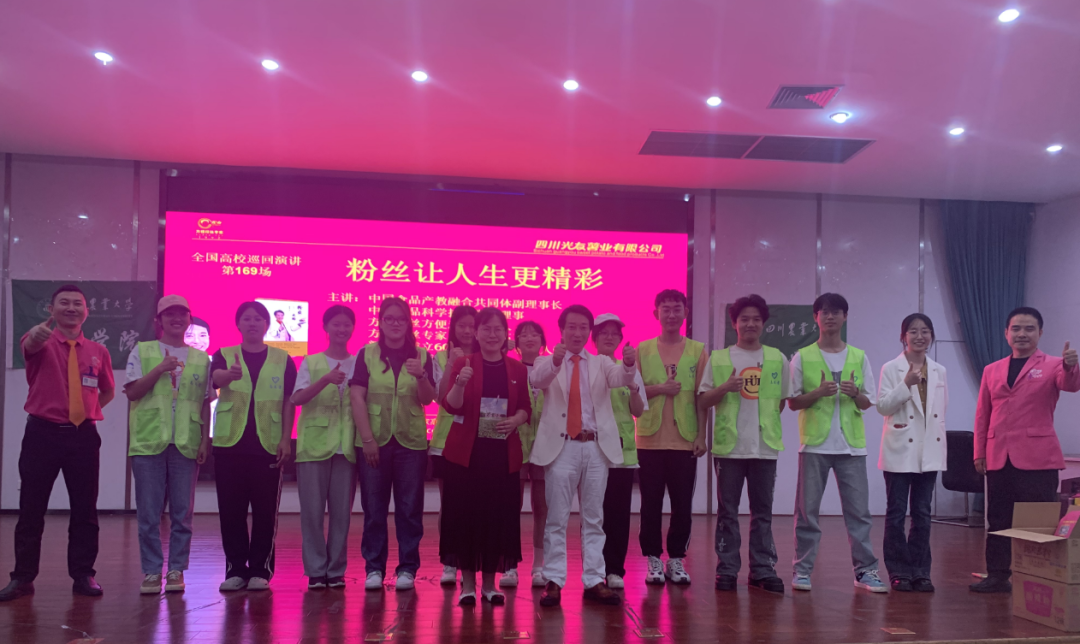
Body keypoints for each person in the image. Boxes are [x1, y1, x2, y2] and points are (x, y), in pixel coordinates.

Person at [0, 285, 115, 602]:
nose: (71, 308)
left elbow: (107, 390)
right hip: (43, 434)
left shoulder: (98, 350)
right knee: (31, 508)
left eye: (78, 303)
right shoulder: (39, 340)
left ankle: (84, 575)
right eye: (64, 303)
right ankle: (23, 578)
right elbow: (31, 344)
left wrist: (88, 411)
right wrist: (36, 336)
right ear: (51, 310)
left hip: (83, 436)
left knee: (85, 510)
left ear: (86, 311)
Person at [530, 304, 637, 607]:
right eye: (572, 327)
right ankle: (553, 580)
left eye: (582, 328)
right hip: (562, 446)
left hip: (594, 447)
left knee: (594, 517)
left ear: (589, 332)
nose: (577, 333)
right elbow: (537, 380)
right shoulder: (546, 360)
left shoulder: (601, 362)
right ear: (561, 330)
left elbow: (620, 378)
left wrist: (629, 365)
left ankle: (594, 580)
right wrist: (555, 361)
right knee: (557, 517)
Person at [970, 307, 1080, 593]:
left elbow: (1070, 384)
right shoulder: (992, 369)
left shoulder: (1054, 364)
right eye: (1016, 328)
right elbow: (983, 414)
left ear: (1040, 333)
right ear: (1006, 333)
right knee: (998, 519)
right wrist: (979, 452)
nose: (1022, 334)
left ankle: (1038, 574)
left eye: (1029, 328)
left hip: (1038, 458)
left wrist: (1071, 366)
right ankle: (997, 575)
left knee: (1038, 521)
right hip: (999, 456)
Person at [788, 293, 886, 593]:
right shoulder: (802, 356)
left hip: (851, 446)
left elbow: (869, 402)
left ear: (845, 317)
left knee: (859, 514)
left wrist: (855, 393)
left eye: (836, 312)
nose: (830, 317)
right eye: (824, 312)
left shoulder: (859, 356)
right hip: (814, 445)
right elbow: (792, 402)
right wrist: (817, 393)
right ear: (815, 317)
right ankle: (802, 570)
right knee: (807, 513)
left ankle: (865, 571)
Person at [439, 308, 532, 606]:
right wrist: (460, 383)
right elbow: (451, 406)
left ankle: (490, 586)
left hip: (502, 455)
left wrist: (516, 419)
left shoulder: (517, 369)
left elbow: (526, 407)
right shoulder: (463, 363)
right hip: (467, 456)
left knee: (496, 518)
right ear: (476, 334)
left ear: (505, 334)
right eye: (486, 329)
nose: (492, 334)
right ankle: (467, 586)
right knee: (466, 518)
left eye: (498, 329)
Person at [697, 294, 788, 594]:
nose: (750, 324)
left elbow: (781, 402)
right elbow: (703, 400)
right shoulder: (720, 358)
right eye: (744, 319)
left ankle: (762, 569)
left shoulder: (777, 358)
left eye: (756, 319)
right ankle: (726, 569)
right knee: (728, 512)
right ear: (734, 323)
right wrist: (725, 387)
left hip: (765, 446)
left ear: (764, 323)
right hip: (729, 447)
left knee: (763, 512)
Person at [124, 295, 213, 595]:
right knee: (149, 513)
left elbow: (204, 402)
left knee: (182, 513)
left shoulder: (201, 358)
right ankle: (151, 571)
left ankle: (176, 569)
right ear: (158, 320)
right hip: (149, 440)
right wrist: (159, 369)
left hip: (186, 442)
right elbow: (132, 392)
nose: (176, 319)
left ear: (190, 320)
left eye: (182, 314)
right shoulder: (143, 350)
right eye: (169, 314)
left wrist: (205, 440)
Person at [350, 297, 436, 592]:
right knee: (374, 508)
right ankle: (374, 568)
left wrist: (421, 376)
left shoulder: (422, 355)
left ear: (409, 322)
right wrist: (367, 439)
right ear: (381, 322)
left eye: (401, 318)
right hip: (374, 440)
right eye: (390, 318)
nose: (396, 323)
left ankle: (407, 569)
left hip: (411, 443)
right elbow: (357, 396)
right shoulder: (367, 354)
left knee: (409, 509)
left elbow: (427, 399)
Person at [210, 301, 296, 592]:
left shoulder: (283, 359)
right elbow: (215, 379)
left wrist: (286, 438)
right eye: (247, 318)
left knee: (265, 512)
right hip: (229, 445)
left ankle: (260, 570)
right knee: (230, 511)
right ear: (238, 324)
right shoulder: (223, 354)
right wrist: (229, 375)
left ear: (267, 325)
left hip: (267, 445)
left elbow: (288, 401)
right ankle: (235, 569)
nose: (253, 323)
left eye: (258, 319)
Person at [636, 289, 707, 585]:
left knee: (682, 505)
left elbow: (702, 397)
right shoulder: (642, 350)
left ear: (685, 313)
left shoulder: (698, 350)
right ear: (656, 313)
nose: (671, 314)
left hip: (684, 440)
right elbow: (632, 393)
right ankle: (653, 558)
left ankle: (676, 559)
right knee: (650, 504)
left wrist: (701, 435)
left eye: (677, 309)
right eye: (665, 309)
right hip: (649, 440)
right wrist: (660, 389)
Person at [876, 313, 948, 593]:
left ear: (932, 336)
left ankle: (920, 570)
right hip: (899, 449)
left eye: (925, 331)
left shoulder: (939, 370)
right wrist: (905, 383)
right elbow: (883, 406)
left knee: (922, 513)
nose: (920, 336)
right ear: (903, 336)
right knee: (896, 513)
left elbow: (940, 411)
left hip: (928, 450)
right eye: (913, 331)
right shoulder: (891, 368)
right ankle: (898, 570)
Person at [291, 305, 359, 590]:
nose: (342, 329)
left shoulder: (359, 362)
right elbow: (297, 399)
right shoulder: (312, 361)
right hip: (313, 446)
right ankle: (316, 571)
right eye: (336, 324)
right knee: (312, 512)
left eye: (347, 324)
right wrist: (325, 380)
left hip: (347, 448)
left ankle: (336, 570)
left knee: (342, 514)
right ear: (326, 327)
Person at [593, 314, 647, 590]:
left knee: (618, 515)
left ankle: (614, 569)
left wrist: (634, 388)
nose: (610, 337)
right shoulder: (586, 368)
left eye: (615, 333)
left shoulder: (629, 369)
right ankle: (594, 571)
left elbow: (638, 410)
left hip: (622, 453)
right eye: (604, 332)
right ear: (594, 337)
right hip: (592, 452)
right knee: (593, 515)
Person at [429, 305, 479, 586]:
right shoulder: (439, 356)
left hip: (479, 439)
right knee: (449, 504)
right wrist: (451, 363)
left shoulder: (487, 356)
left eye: (472, 325)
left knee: (475, 505)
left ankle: (472, 560)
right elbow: (439, 397)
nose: (467, 331)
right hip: (446, 440)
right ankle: (450, 562)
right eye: (462, 325)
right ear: (453, 327)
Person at [510, 320, 550, 589]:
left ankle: (539, 565)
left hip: (547, 446)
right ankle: (509, 565)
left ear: (543, 342)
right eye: (523, 335)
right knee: (511, 506)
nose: (529, 338)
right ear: (516, 343)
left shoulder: (553, 369)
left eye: (535, 334)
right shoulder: (509, 368)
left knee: (542, 508)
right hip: (516, 444)